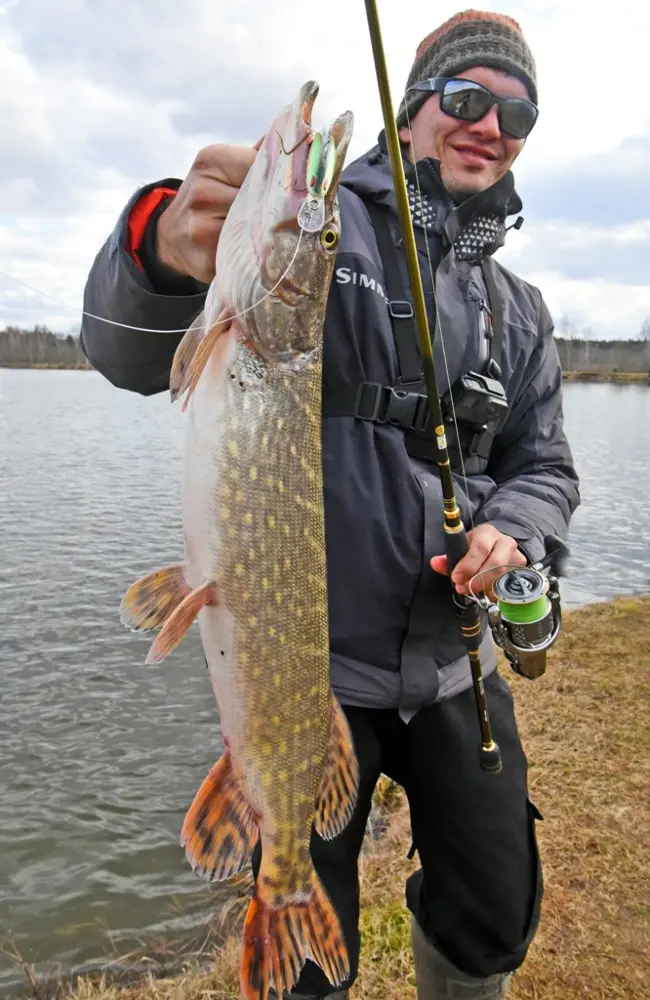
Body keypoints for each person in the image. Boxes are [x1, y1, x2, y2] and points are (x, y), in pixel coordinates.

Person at [81, 9, 580, 999]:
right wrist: (164, 245)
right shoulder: (318, 228)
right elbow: (126, 349)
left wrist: (511, 528)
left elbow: (546, 466)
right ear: (410, 115)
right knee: (309, 956)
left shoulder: (517, 309)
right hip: (317, 668)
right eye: (465, 96)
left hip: (453, 663)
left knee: (491, 913)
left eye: (513, 109)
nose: (489, 122)